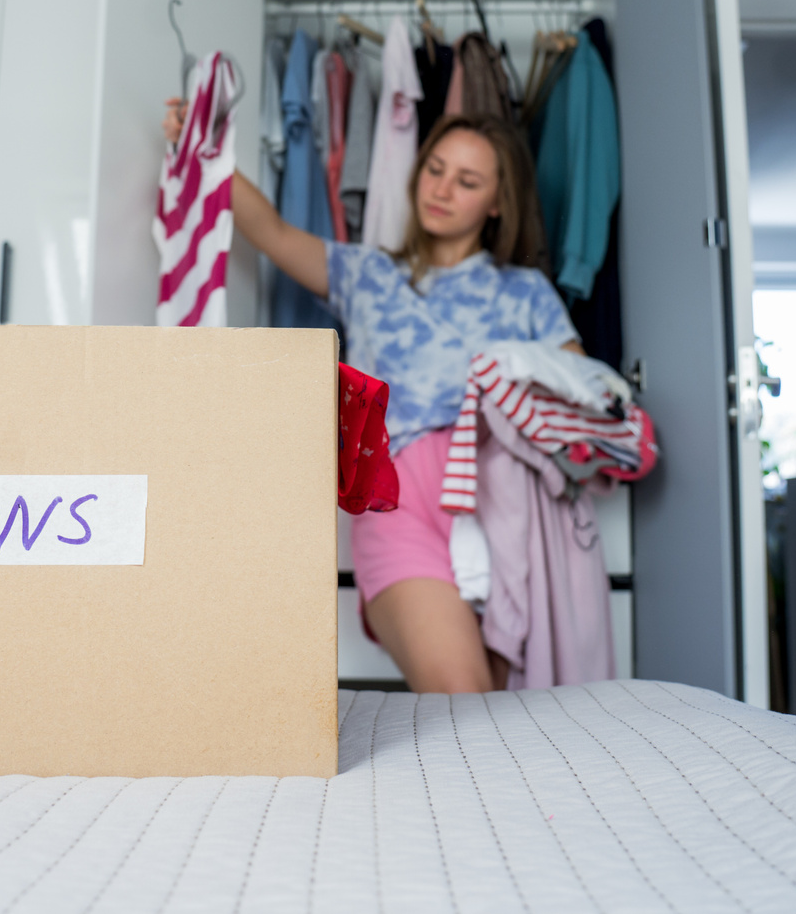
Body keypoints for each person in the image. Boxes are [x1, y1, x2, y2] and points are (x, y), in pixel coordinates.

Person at [163, 101, 584, 693]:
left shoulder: (528, 293)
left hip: (503, 505)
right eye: (434, 169)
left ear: (497, 203)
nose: (441, 190)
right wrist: (204, 151)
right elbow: (274, 234)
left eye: (466, 182)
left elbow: (583, 398)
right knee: (465, 702)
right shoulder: (367, 274)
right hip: (397, 502)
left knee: (512, 713)